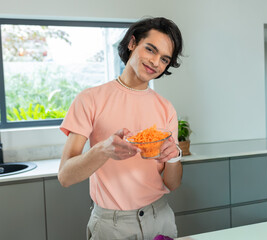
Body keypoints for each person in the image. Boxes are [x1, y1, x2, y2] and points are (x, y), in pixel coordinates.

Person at [58, 16, 184, 240]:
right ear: (132, 43)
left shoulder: (166, 108)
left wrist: (174, 156)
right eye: (150, 49)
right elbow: (65, 176)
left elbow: (172, 183)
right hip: (112, 225)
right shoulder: (90, 99)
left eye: (164, 59)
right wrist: (103, 150)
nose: (155, 62)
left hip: (160, 217)